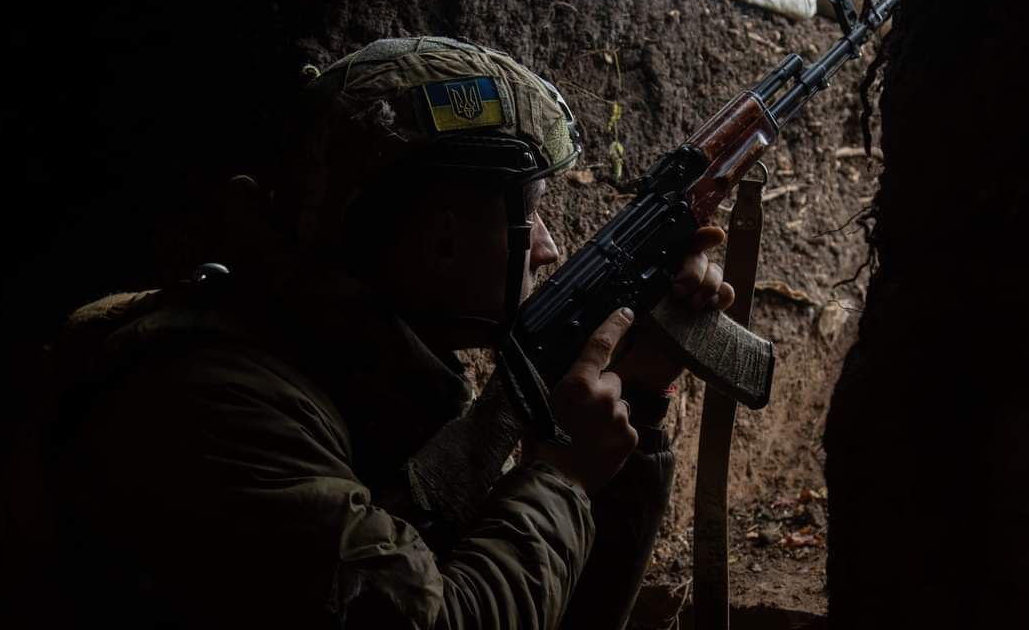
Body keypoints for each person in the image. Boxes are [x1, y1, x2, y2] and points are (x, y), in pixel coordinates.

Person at [47, 37, 733, 628]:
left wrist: (636, 395)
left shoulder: (354, 371)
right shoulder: (213, 403)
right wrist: (562, 477)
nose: (549, 248)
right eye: (531, 216)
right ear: (438, 245)